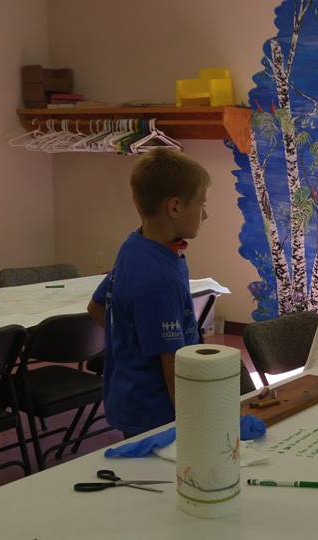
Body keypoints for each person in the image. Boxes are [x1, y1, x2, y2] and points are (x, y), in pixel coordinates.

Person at [87, 148, 209, 438]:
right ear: (175, 207)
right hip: (156, 412)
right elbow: (172, 365)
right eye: (201, 203)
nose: (205, 214)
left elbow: (97, 306)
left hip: (132, 396)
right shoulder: (158, 277)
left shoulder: (135, 245)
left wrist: (131, 342)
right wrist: (194, 428)